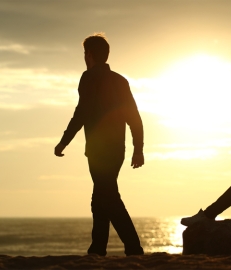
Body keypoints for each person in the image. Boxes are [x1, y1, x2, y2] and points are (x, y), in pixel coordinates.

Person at [54, 33, 145, 256]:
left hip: (98, 151)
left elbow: (81, 113)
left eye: (85, 53)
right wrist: (138, 149)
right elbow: (134, 117)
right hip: (118, 151)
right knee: (101, 197)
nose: (84, 57)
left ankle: (133, 247)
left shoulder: (88, 78)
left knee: (109, 197)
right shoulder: (120, 80)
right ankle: (98, 249)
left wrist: (63, 142)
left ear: (90, 55)